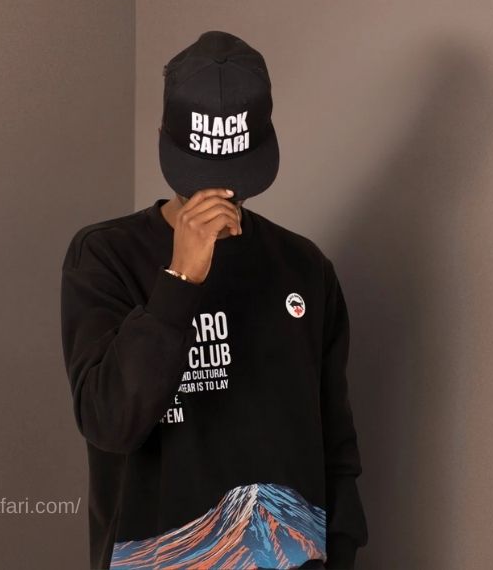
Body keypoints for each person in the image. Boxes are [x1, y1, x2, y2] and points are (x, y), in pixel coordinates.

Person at [60, 30, 368, 569]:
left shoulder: (304, 267)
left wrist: (340, 555)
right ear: (163, 137)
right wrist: (178, 280)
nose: (219, 193)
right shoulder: (105, 255)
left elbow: (335, 447)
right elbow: (110, 423)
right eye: (201, 175)